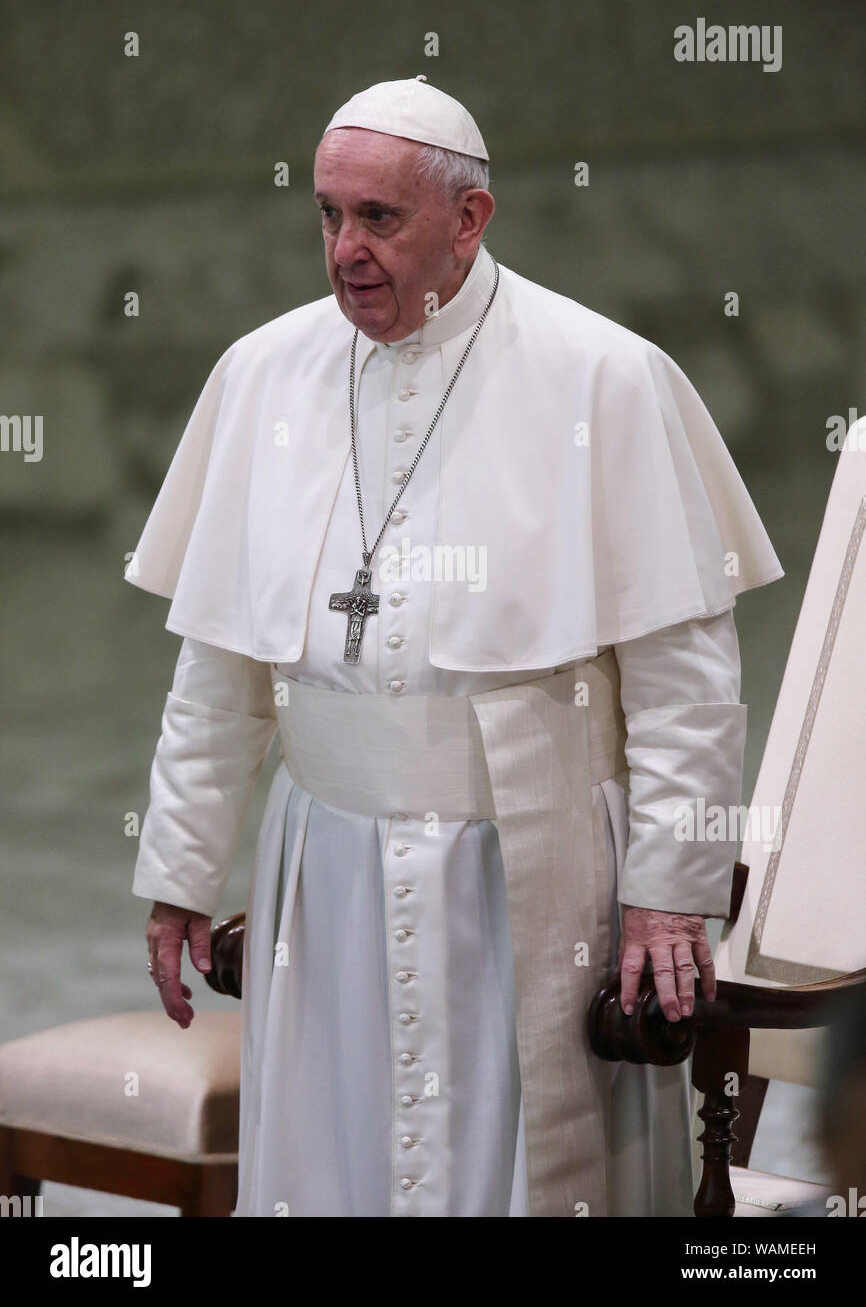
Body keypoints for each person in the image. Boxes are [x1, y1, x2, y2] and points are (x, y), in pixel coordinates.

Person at [127, 77, 784, 1217]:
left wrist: (666, 896)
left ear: (469, 219)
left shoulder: (602, 377)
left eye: (377, 218)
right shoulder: (259, 376)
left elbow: (685, 680)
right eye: (328, 216)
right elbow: (219, 666)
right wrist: (182, 871)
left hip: (524, 874)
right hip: (321, 878)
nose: (344, 249)